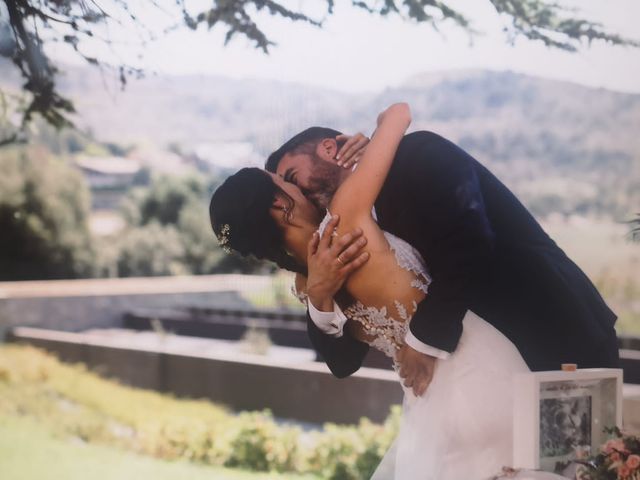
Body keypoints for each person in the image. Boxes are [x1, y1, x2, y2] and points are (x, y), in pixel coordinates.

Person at [210, 103, 534, 478]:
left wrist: (320, 300)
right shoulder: (346, 216)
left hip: (428, 400)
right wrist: (363, 144)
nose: (299, 189)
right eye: (287, 184)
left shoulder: (307, 284)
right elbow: (399, 113)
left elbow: (341, 362)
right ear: (281, 204)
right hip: (478, 366)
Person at [263, 109, 619, 398]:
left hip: (554, 333)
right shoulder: (341, 237)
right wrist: (320, 297)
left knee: (577, 465)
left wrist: (423, 340)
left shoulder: (418, 153)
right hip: (478, 383)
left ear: (329, 149)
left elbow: (471, 239)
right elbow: (343, 362)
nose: (299, 195)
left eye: (293, 176)